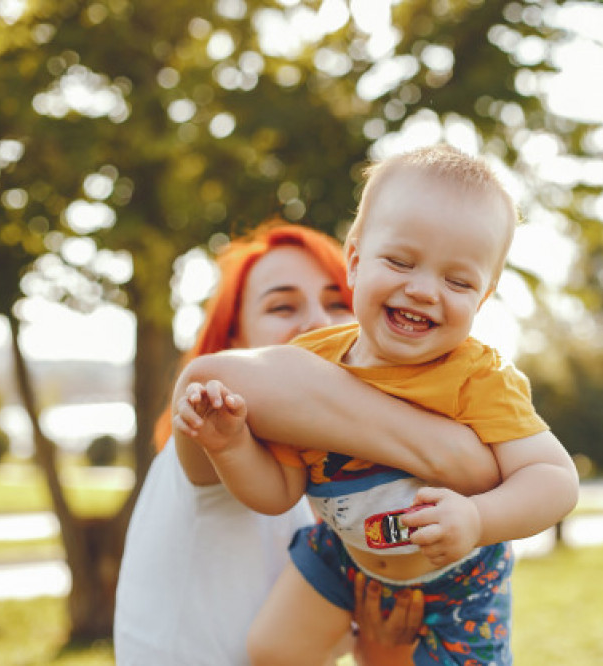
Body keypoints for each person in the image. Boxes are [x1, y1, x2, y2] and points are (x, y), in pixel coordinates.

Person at [173, 145, 580, 665]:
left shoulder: (479, 378)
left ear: (483, 296)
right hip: (348, 559)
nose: (424, 290)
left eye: (457, 281)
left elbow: (554, 479)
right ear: (356, 259)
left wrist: (478, 519)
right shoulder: (311, 369)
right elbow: (280, 493)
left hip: (459, 579)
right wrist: (230, 445)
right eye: (400, 261)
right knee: (271, 651)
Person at [114, 221, 501, 666]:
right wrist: (469, 456)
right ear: (235, 340)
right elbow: (207, 379)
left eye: (338, 303)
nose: (318, 321)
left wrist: (382, 646)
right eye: (281, 307)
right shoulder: (212, 434)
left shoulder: (338, 494)